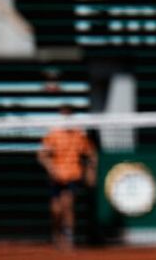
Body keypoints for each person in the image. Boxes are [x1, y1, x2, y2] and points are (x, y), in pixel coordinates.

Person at [37, 105, 97, 250]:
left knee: (68, 204)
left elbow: (91, 155)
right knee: (56, 210)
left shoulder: (79, 135)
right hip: (56, 177)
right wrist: (51, 169)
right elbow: (42, 155)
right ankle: (56, 233)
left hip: (72, 174)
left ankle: (69, 237)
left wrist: (91, 171)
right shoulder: (53, 134)